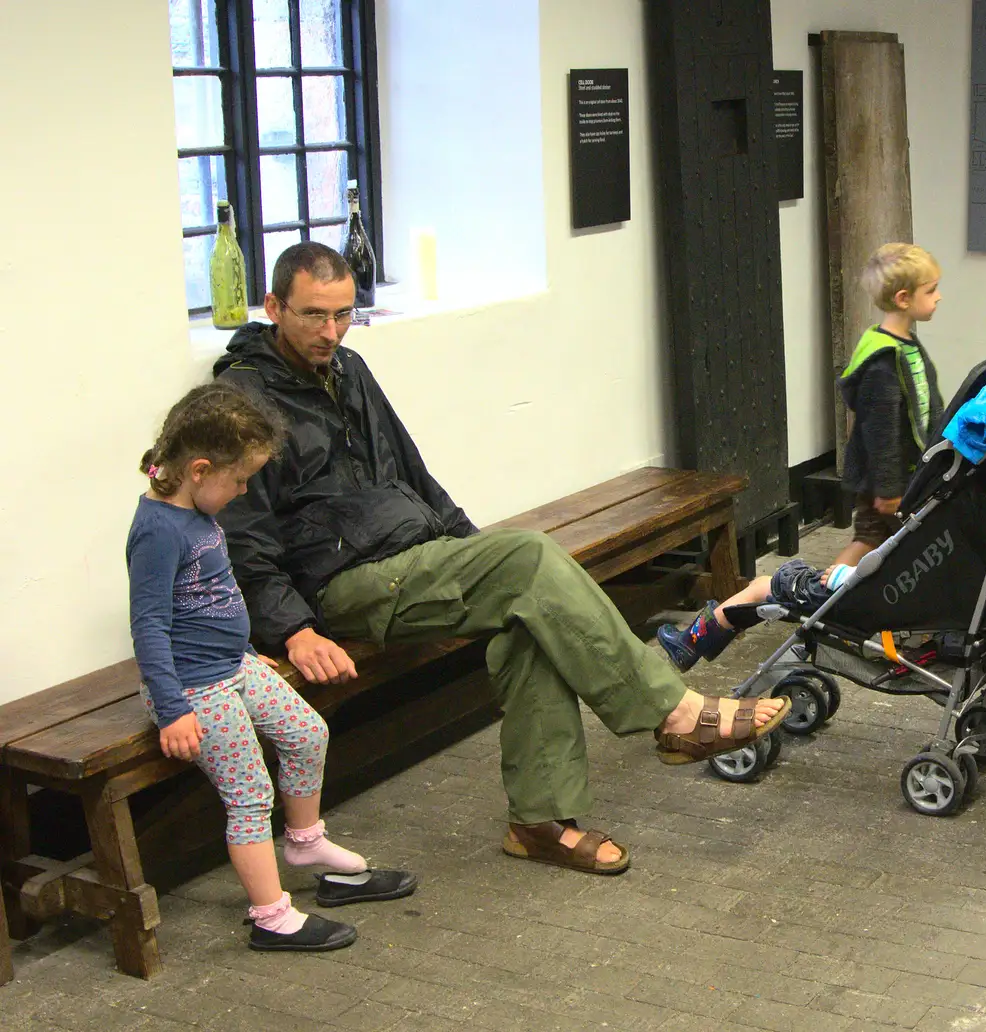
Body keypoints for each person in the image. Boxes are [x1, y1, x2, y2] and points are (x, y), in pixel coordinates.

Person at [213, 243, 787, 876]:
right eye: (314, 316)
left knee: (528, 613)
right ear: (272, 307)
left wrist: (466, 546)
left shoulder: (350, 369)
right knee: (528, 562)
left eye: (344, 315)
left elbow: (415, 474)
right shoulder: (241, 399)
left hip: (416, 557)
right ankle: (672, 712)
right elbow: (242, 533)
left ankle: (540, 824)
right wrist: (292, 629)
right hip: (341, 585)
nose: (331, 332)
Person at [128, 382, 417, 954]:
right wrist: (172, 710)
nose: (242, 491)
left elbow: (209, 594)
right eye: (239, 480)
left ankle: (306, 843)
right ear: (200, 469)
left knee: (308, 732)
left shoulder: (197, 513)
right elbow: (149, 626)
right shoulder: (158, 531)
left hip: (232, 665)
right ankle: (271, 916)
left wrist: (240, 647)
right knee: (250, 794)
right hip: (194, 687)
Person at [834, 243, 945, 569]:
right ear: (903, 299)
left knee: (878, 544)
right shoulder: (882, 362)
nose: (938, 297)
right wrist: (888, 490)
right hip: (887, 483)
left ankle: (836, 600)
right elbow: (880, 434)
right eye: (931, 290)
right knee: (869, 542)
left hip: (906, 475)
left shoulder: (905, 343)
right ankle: (825, 597)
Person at [657, 560, 853, 672]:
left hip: (844, 593)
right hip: (862, 600)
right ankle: (706, 642)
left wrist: (842, 574)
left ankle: (690, 643)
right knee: (765, 588)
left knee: (761, 588)